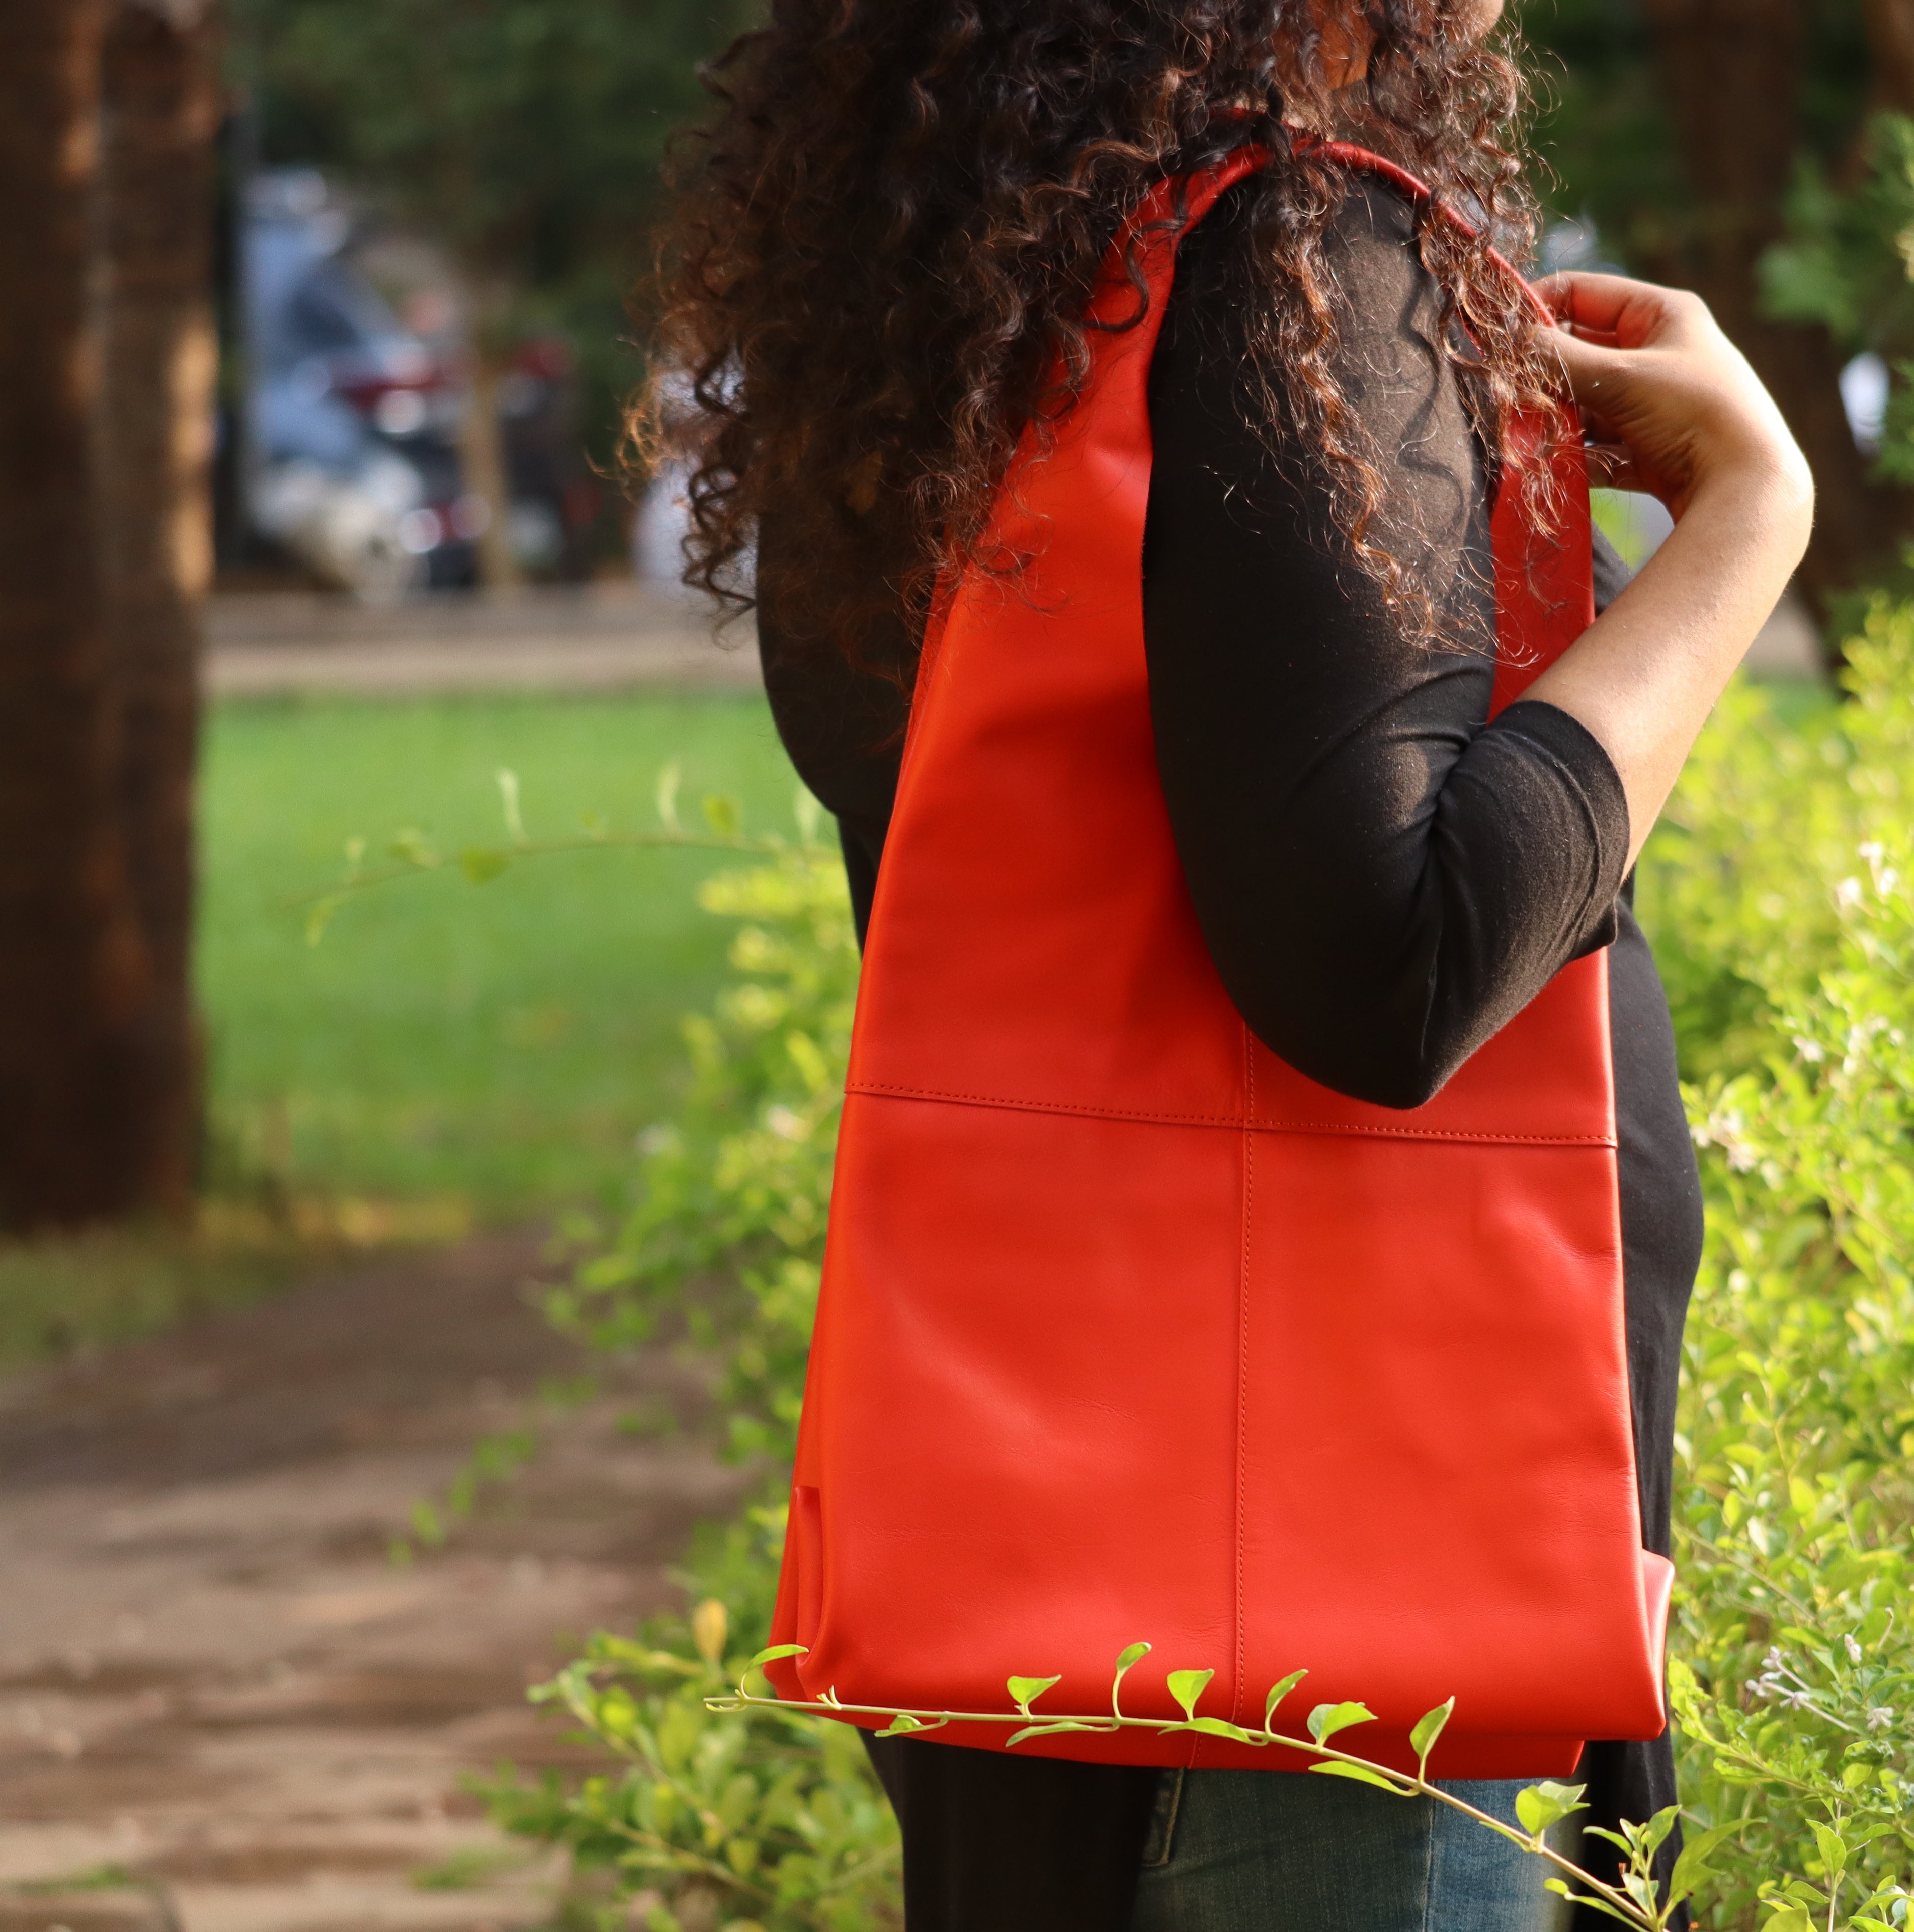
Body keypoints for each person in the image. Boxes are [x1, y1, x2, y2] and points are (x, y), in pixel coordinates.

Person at [640, 3, 1810, 1926]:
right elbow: (1392, 967)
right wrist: (1746, 527)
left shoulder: (973, 293)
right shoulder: (1290, 269)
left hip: (1073, 1605)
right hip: (1325, 1662)